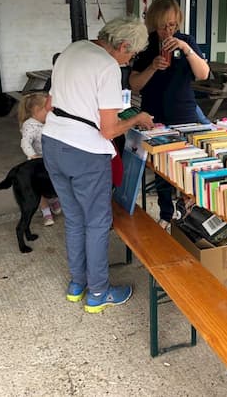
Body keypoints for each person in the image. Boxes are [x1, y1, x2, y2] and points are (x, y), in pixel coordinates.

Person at [42, 16, 154, 314]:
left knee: (75, 218)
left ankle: (77, 284)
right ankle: (99, 292)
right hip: (85, 152)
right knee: (96, 222)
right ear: (123, 45)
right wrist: (137, 119)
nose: (130, 60)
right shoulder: (107, 66)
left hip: (52, 142)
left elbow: (52, 103)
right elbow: (109, 130)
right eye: (131, 54)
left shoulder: (73, 48)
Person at [129, 0, 210, 229]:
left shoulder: (186, 41)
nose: (168, 30)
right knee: (162, 170)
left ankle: (187, 211)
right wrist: (153, 67)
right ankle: (166, 212)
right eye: (163, 25)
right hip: (154, 117)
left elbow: (203, 74)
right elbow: (135, 84)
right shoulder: (145, 45)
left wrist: (186, 49)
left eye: (173, 24)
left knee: (188, 168)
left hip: (184, 115)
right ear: (154, 23)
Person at [17, 91, 61, 226]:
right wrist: (32, 155)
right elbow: (25, 142)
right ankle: (46, 211)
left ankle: (53, 201)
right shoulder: (30, 125)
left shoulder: (47, 121)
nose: (50, 110)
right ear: (36, 110)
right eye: (47, 109)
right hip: (37, 162)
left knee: (53, 182)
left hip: (51, 160)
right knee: (39, 188)